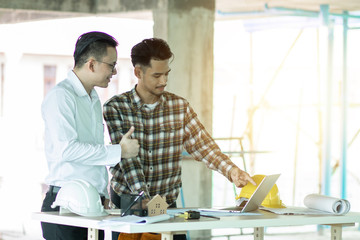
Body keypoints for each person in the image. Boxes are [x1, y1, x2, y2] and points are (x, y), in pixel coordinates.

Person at [103, 38, 255, 240]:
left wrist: (232, 171)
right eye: (157, 75)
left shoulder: (179, 107)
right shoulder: (116, 107)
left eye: (166, 74)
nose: (163, 81)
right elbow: (129, 162)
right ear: (138, 73)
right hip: (130, 206)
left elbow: (203, 146)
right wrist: (147, 202)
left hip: (165, 205)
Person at [40, 31, 139, 240]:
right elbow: (67, 150)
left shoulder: (93, 98)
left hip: (92, 206)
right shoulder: (61, 97)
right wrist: (119, 151)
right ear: (92, 64)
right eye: (111, 65)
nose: (114, 72)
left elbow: (91, 155)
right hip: (66, 206)